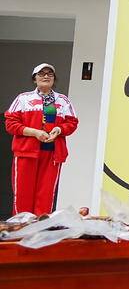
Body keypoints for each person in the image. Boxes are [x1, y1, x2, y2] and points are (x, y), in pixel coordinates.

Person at [4, 63, 78, 215]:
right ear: (34, 79)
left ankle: (41, 226)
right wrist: (34, 133)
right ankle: (22, 226)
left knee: (46, 195)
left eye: (50, 74)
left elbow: (72, 122)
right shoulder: (23, 98)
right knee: (23, 193)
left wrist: (59, 129)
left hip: (52, 154)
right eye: (41, 73)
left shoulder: (62, 100)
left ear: (54, 79)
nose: (46, 76)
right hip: (27, 152)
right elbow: (10, 124)